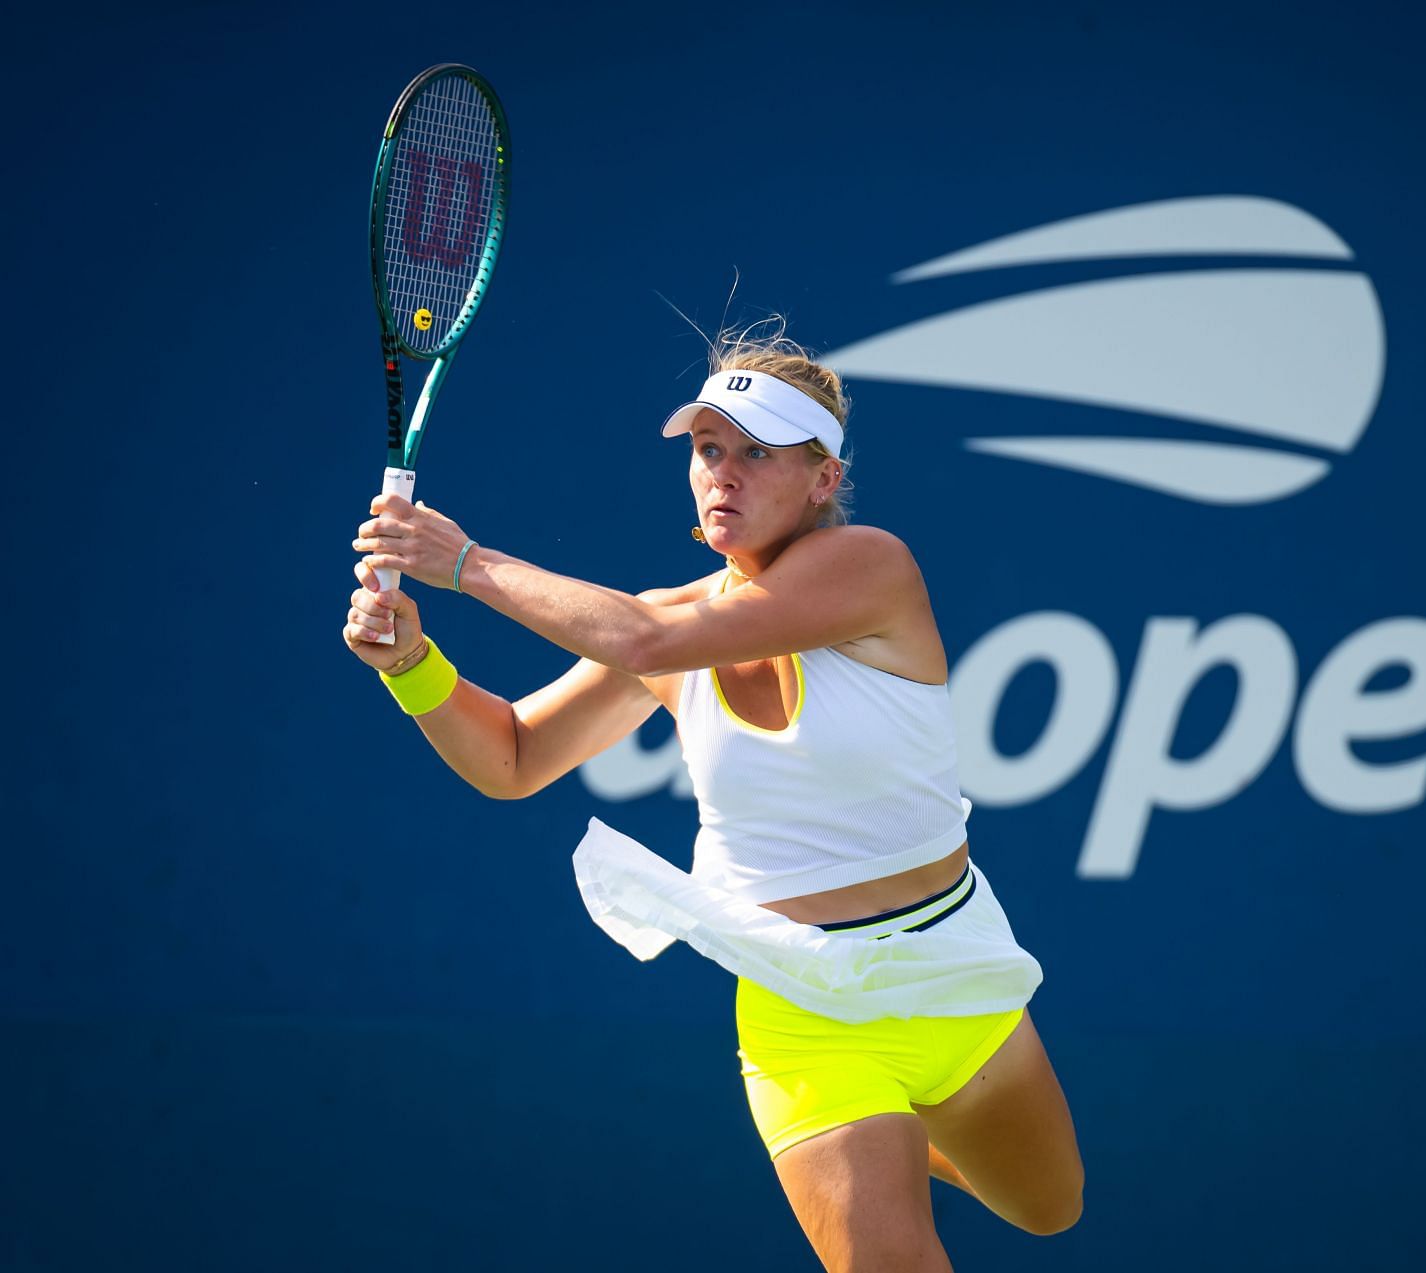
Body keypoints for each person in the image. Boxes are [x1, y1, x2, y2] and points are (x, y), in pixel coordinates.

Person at [342, 326, 1083, 1271]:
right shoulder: (671, 620)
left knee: (1051, 1208)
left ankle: (898, 1133)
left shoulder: (871, 567)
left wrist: (464, 562)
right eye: (707, 449)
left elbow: (642, 643)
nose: (722, 474)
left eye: (757, 453)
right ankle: (861, 1132)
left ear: (824, 478)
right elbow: (516, 757)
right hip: (804, 1015)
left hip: (955, 977)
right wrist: (411, 661)